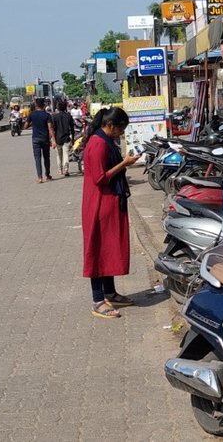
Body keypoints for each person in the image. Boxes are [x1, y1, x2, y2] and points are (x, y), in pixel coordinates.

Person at [81, 106, 141, 319]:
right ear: (110, 125)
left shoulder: (105, 140)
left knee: (109, 248)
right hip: (99, 204)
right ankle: (98, 300)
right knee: (98, 249)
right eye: (121, 128)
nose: (122, 133)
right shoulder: (98, 144)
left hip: (109, 202)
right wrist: (124, 163)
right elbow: (99, 178)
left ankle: (109, 292)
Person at [25, 98, 57, 183]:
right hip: (45, 139)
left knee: (37, 158)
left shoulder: (32, 114)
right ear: (44, 105)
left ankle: (40, 177)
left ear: (36, 105)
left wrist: (32, 123)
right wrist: (53, 140)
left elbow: (25, 126)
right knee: (46, 157)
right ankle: (48, 175)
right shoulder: (47, 115)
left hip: (35, 139)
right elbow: (50, 128)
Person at [51, 100, 76, 177]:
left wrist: (52, 140)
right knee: (66, 154)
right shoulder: (68, 116)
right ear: (65, 107)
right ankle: (66, 170)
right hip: (66, 138)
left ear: (58, 108)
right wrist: (73, 139)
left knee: (59, 155)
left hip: (57, 138)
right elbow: (72, 128)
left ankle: (60, 170)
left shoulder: (55, 116)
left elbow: (53, 129)